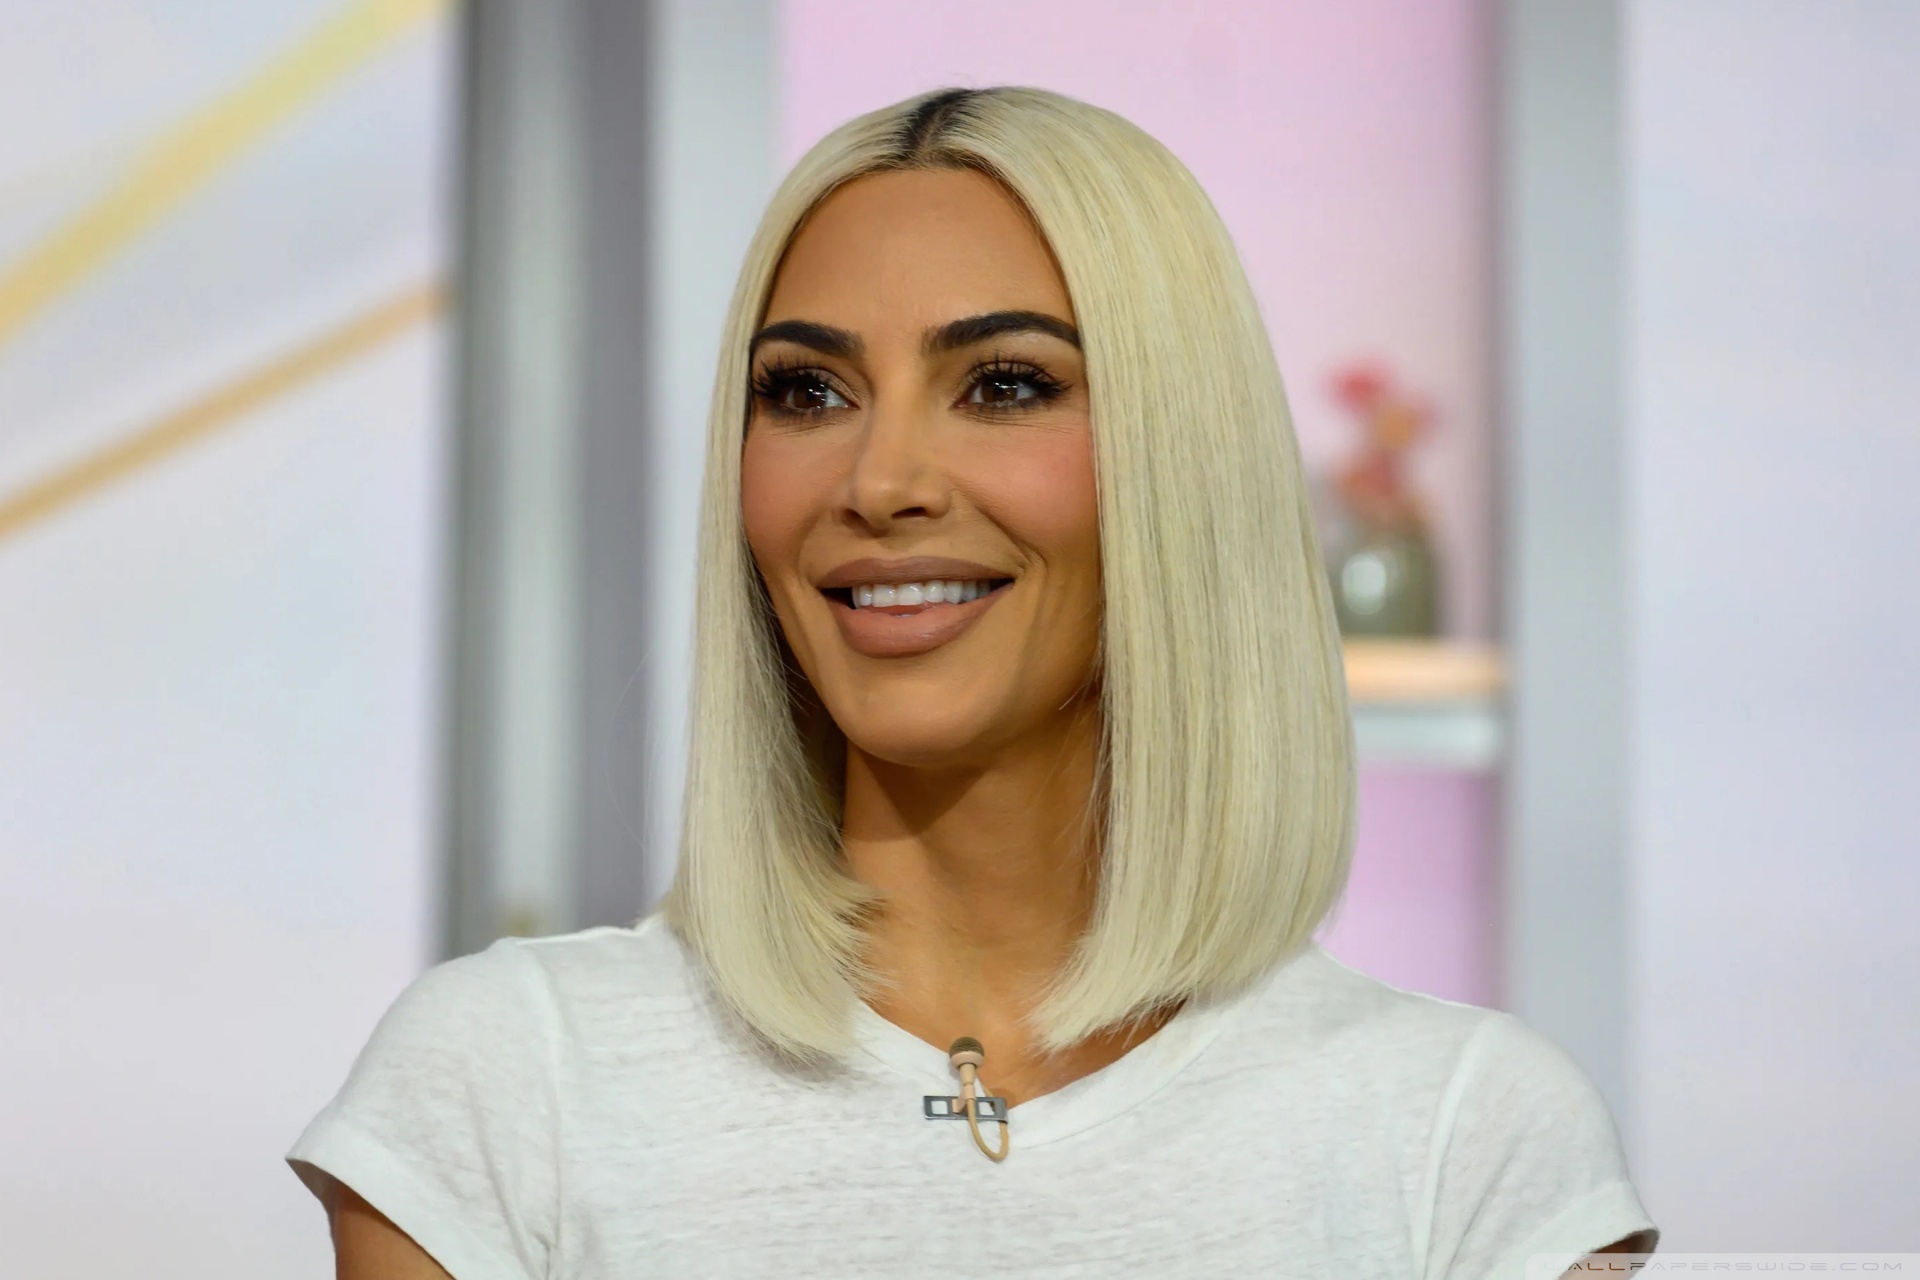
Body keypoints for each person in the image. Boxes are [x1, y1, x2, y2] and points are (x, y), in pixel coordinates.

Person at [288, 86, 1659, 1278]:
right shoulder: (506, 1085)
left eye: (1002, 385)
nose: (879, 482)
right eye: (807, 393)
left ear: (1179, 458)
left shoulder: (1466, 1138)